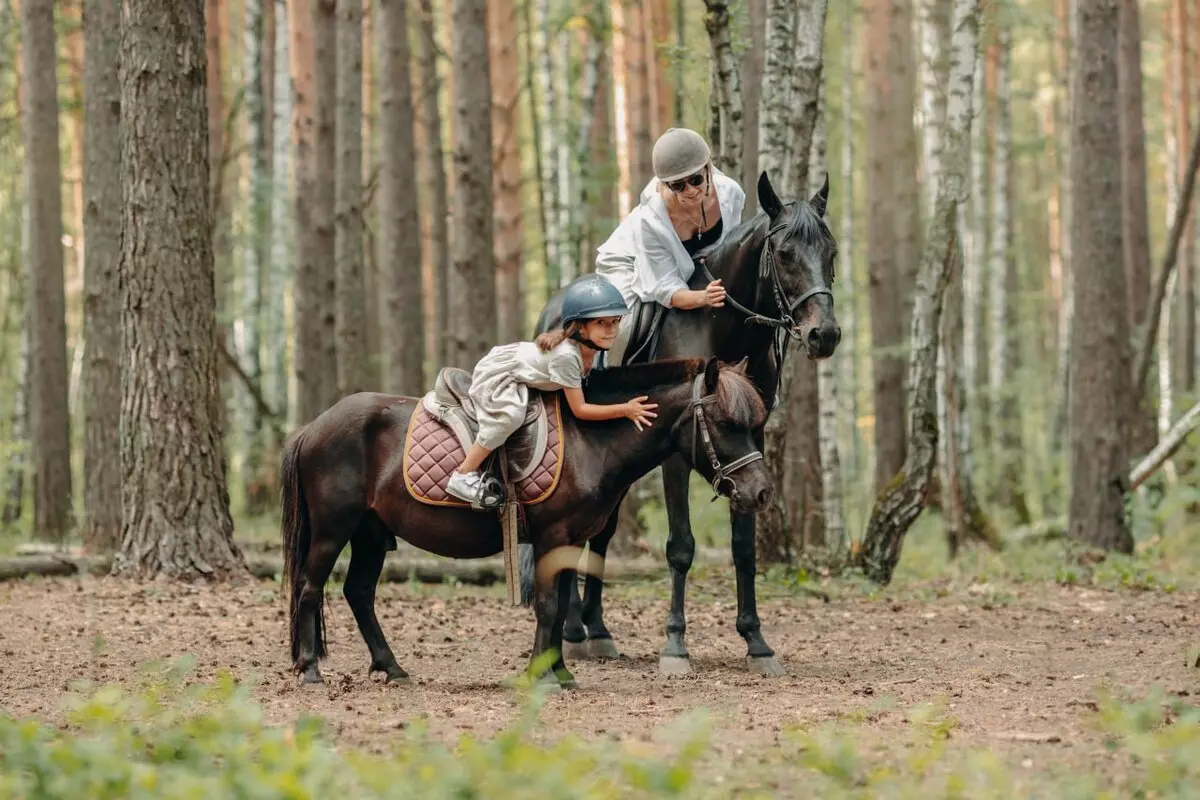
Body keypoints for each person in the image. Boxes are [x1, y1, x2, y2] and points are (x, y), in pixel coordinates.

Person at [446, 275, 659, 509]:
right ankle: (462, 475)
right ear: (581, 328)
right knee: (509, 416)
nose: (611, 330)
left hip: (524, 365)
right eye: (601, 323)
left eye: (615, 321)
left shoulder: (594, 349)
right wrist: (625, 409)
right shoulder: (567, 357)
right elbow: (580, 410)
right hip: (501, 373)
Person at [594, 127, 746, 363]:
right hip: (630, 262)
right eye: (678, 185)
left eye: (696, 180)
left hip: (693, 262)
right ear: (665, 185)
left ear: (708, 169)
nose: (691, 191)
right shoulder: (651, 221)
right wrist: (703, 298)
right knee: (622, 328)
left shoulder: (731, 194)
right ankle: (605, 373)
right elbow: (667, 291)